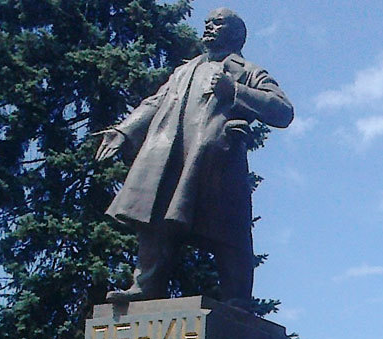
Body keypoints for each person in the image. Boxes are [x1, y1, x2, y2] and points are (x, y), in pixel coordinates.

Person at [94, 9, 293, 307]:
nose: (209, 27)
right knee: (156, 221)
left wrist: (235, 91)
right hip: (169, 155)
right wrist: (124, 131)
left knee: (228, 229)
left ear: (237, 34)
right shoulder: (183, 71)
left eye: (218, 23)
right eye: (207, 23)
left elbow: (282, 110)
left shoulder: (247, 70)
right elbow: (155, 103)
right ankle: (145, 285)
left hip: (215, 159)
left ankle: (237, 297)